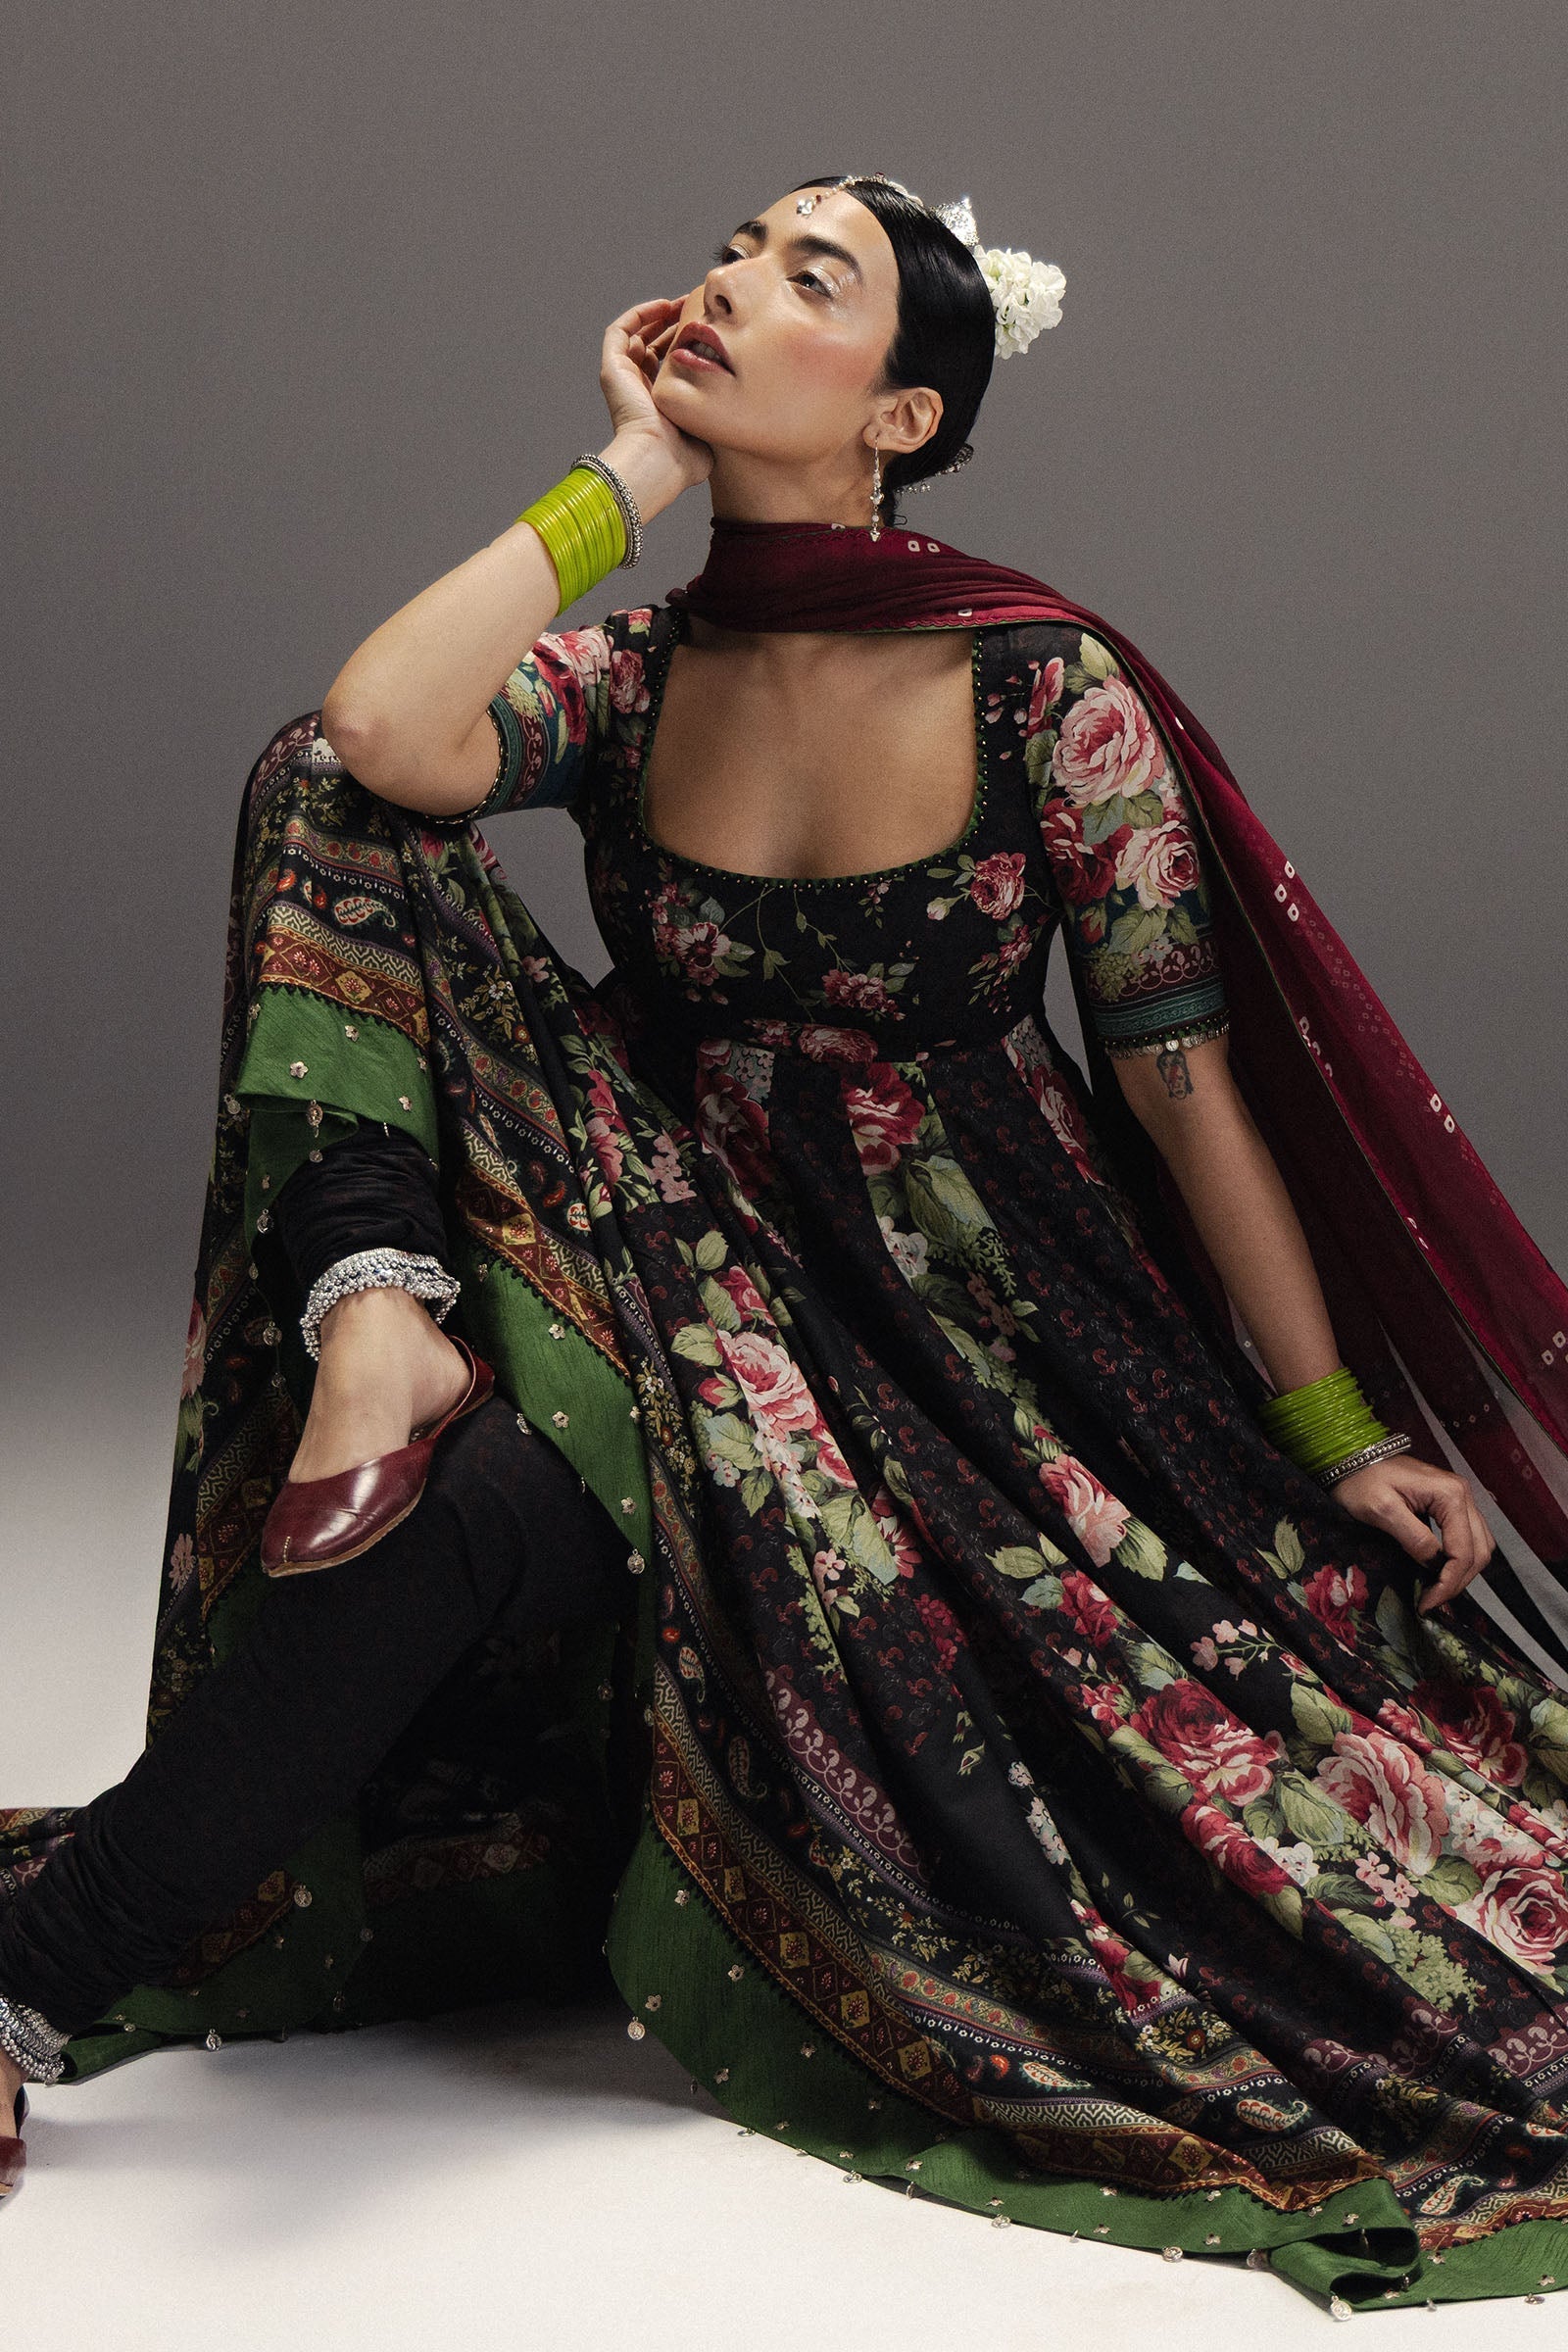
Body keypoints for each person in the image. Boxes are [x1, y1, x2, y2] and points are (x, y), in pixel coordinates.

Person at [4, 171, 1568, 2314]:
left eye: (804, 272)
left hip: (960, 1349)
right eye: (734, 246)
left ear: (901, 419)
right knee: (324, 784)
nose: (729, 282)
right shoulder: (638, 674)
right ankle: (383, 1309)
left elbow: (1183, 1084)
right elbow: (380, 732)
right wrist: (626, 474)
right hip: (656, 1247)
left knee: (481, 1526)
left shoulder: (1047, 691)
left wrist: (1327, 1429)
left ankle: (41, 1959)